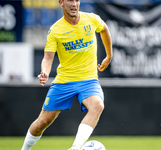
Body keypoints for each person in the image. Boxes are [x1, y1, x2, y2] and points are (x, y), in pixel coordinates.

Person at [21, 0, 112, 150]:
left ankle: (75, 147)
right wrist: (44, 72)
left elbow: (104, 29)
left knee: (97, 105)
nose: (74, 4)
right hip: (64, 81)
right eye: (70, 0)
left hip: (88, 80)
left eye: (77, 0)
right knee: (42, 122)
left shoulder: (91, 19)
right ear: (61, 2)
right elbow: (48, 58)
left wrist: (109, 56)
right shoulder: (55, 30)